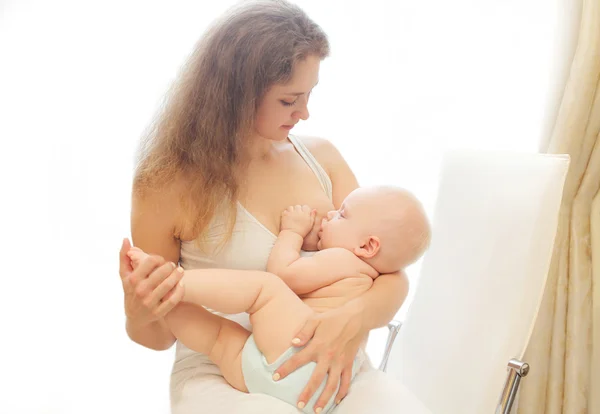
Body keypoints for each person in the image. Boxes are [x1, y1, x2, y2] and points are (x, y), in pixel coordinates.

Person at [118, 1, 432, 412]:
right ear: (236, 94)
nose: (305, 113)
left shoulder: (323, 159)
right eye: (289, 100)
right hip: (222, 366)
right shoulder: (165, 185)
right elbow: (157, 337)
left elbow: (389, 272)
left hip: (331, 363)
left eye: (309, 95)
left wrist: (353, 319)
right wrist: (139, 306)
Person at [125, 186, 431, 413]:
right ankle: (163, 300)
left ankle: (168, 283)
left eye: (342, 215)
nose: (330, 214)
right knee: (218, 338)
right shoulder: (367, 274)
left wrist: (292, 233)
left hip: (300, 353)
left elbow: (286, 274)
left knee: (264, 289)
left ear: (367, 246)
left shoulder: (345, 259)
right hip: (314, 388)